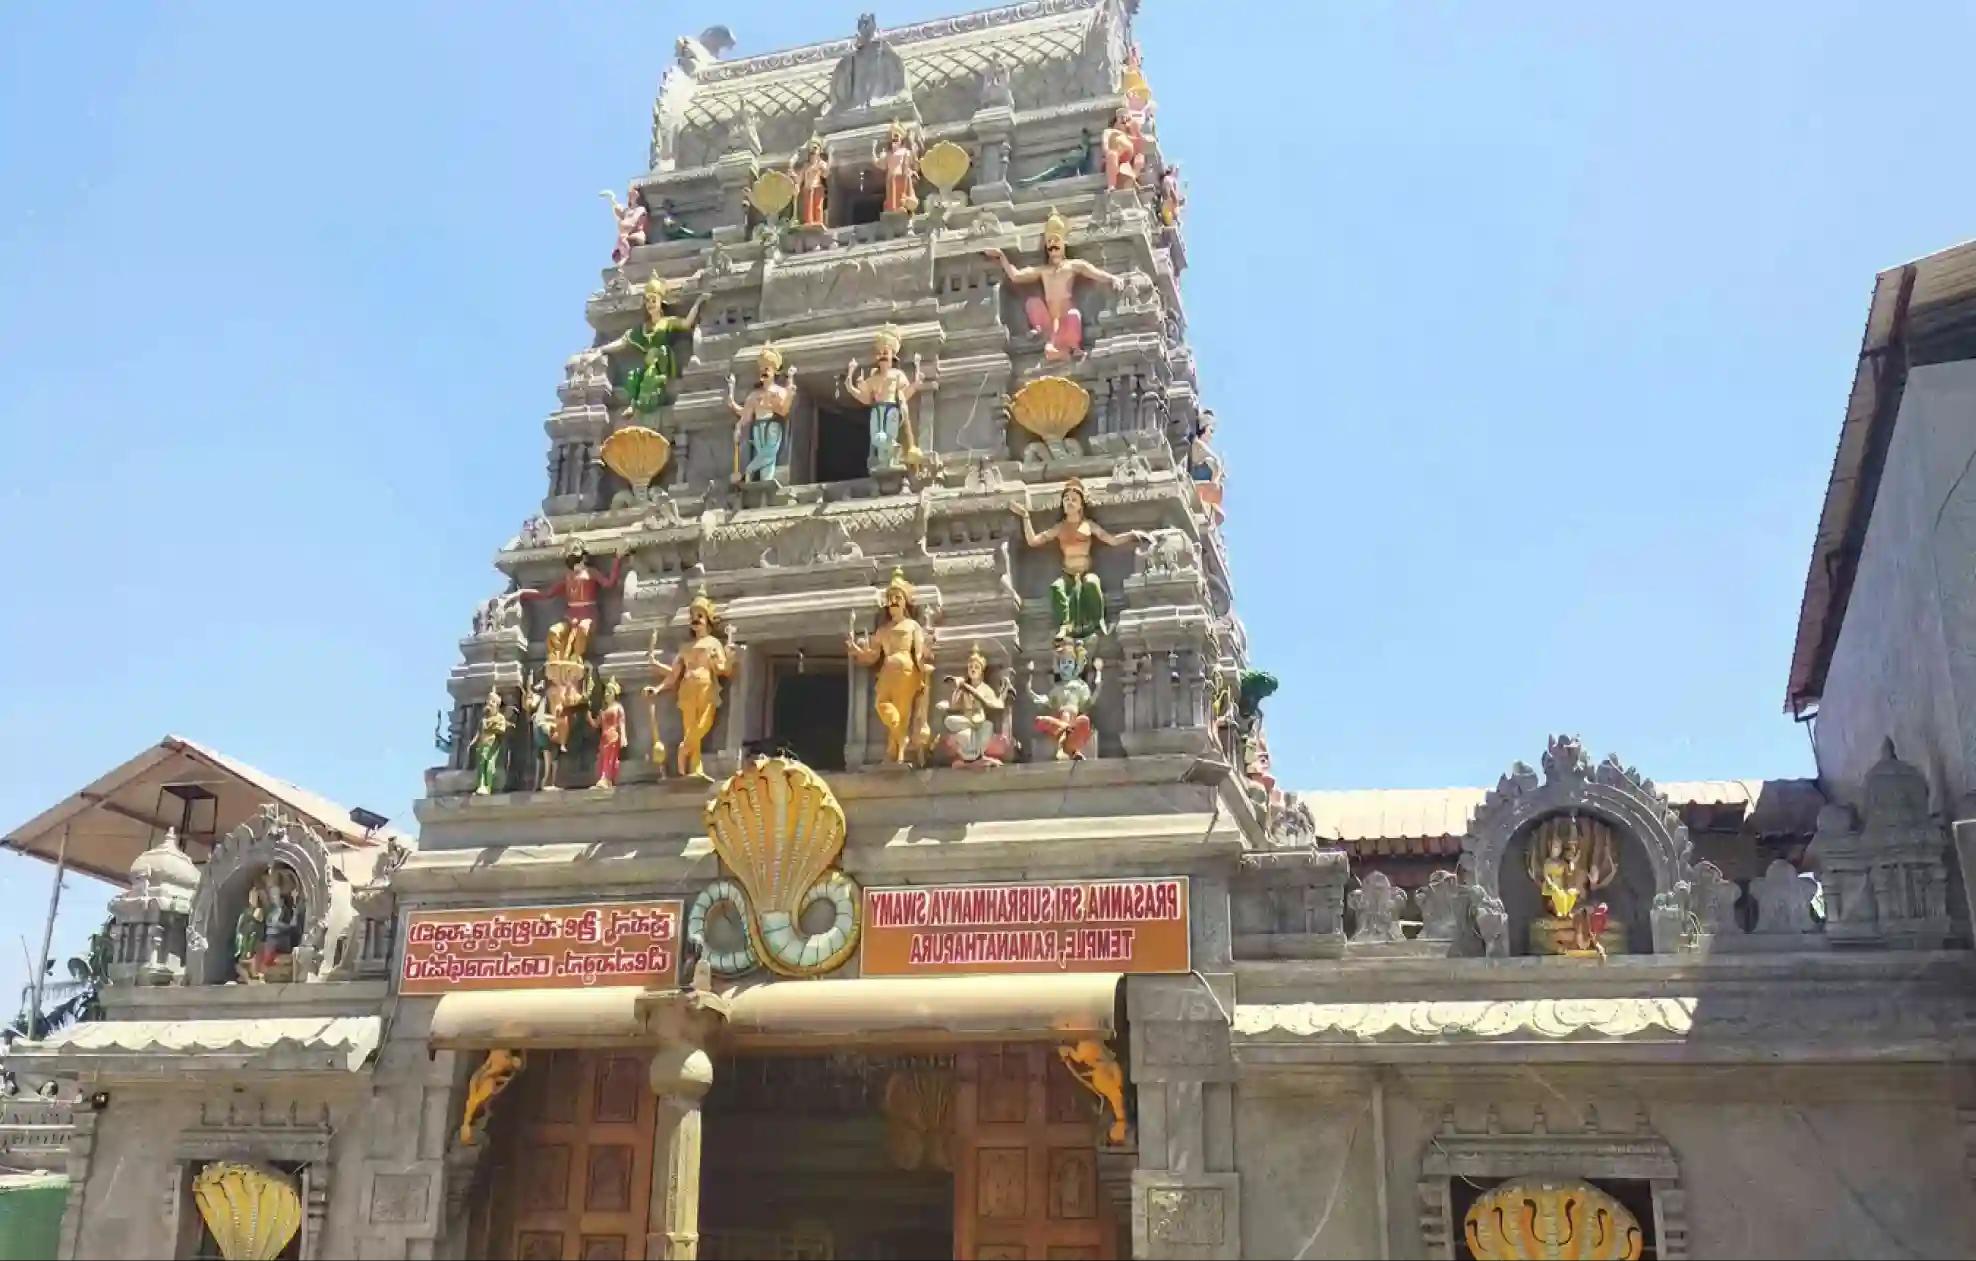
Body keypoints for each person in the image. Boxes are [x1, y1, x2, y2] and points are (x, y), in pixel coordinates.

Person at [1011, 478, 1145, 638]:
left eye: (1074, 499)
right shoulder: (1060, 528)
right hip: (1068, 575)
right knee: (1056, 588)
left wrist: (1132, 535)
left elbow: (1112, 540)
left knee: (1092, 584)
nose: (1070, 502)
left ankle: (1098, 621)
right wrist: (1025, 517)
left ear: (1081, 504)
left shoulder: (1088, 525)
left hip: (1085, 573)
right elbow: (1033, 541)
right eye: (1066, 499)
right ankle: (1064, 625)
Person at [984, 209, 1123, 362]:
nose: (1053, 245)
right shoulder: (1043, 271)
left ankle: (1072, 348)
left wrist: (1112, 279)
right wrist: (1001, 257)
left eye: (1056, 241)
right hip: (1049, 320)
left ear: (1063, 243)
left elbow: (1095, 273)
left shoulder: (1074, 265)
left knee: (1073, 315)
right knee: (1033, 303)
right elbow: (1016, 276)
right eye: (1049, 242)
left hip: (1067, 317)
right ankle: (1044, 334)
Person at [846, 569, 933, 764]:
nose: (893, 601)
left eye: (897, 597)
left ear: (904, 602)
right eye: (890, 597)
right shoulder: (883, 630)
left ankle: (895, 751)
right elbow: (873, 654)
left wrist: (923, 665)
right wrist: (857, 651)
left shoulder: (912, 626)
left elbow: (918, 651)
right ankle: (901, 741)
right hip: (886, 672)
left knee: (902, 713)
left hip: (906, 671)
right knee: (882, 705)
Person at [646, 595, 735, 779]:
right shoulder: (685, 647)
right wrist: (658, 688)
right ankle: (695, 768)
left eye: (700, 615)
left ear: (708, 620)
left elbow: (722, 669)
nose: (696, 619)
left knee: (704, 723)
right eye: (693, 615)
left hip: (706, 688)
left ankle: (684, 748)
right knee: (690, 727)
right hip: (686, 689)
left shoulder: (713, 643)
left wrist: (730, 657)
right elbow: (674, 675)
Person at [600, 272, 707, 421]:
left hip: (662, 360)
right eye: (647, 301)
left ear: (660, 302)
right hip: (648, 362)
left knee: (650, 374)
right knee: (632, 377)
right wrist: (601, 350)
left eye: (653, 300)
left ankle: (638, 403)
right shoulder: (643, 328)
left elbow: (687, 323)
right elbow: (624, 341)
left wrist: (698, 303)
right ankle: (634, 403)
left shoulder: (667, 322)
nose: (650, 304)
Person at [513, 542, 626, 665]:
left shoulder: (591, 572)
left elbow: (609, 584)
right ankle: (556, 661)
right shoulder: (568, 577)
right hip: (570, 617)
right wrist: (521, 593)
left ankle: (575, 661)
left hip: (588, 615)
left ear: (583, 557)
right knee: (554, 631)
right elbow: (547, 593)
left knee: (582, 629)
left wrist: (617, 560)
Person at [843, 327, 923, 471]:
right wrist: (850, 373)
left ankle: (893, 459)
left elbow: (907, 392)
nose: (883, 357)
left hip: (892, 408)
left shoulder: (897, 375)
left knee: (889, 436)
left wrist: (917, 371)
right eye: (880, 354)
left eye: (886, 353)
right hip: (877, 409)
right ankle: (887, 459)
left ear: (892, 356)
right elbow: (862, 395)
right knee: (878, 438)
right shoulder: (872, 380)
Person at [728, 345, 796, 485]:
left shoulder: (779, 391)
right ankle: (765, 485)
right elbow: (746, 414)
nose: (763, 372)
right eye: (761, 369)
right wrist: (739, 426)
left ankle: (747, 472)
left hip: (772, 426)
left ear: (774, 371)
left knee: (769, 454)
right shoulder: (754, 395)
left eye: (767, 369)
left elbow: (784, 409)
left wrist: (790, 382)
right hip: (758, 428)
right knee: (765, 461)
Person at [937, 646, 1009, 767]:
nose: (973, 670)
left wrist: (1003, 693)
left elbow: (995, 704)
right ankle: (972, 757)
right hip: (966, 720)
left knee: (987, 726)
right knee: (949, 721)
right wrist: (946, 705)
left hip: (979, 720)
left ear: (981, 671)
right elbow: (955, 705)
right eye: (971, 667)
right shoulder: (962, 688)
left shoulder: (985, 689)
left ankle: (976, 756)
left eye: (976, 667)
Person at [589, 678, 626, 789]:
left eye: (610, 692)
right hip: (604, 737)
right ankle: (605, 778)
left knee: (610, 758)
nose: (607, 695)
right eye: (606, 692)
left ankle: (606, 778)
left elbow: (622, 723)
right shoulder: (603, 710)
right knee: (603, 757)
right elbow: (596, 724)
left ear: (615, 694)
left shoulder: (618, 707)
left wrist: (624, 737)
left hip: (613, 736)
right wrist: (589, 716)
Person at [601, 186, 648, 266]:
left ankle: (625, 257)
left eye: (634, 193)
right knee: (622, 239)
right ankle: (621, 257)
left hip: (637, 235)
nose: (632, 195)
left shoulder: (640, 209)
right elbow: (618, 210)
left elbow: (631, 223)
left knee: (624, 239)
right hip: (626, 235)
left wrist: (623, 224)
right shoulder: (627, 211)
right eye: (630, 194)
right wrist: (611, 199)